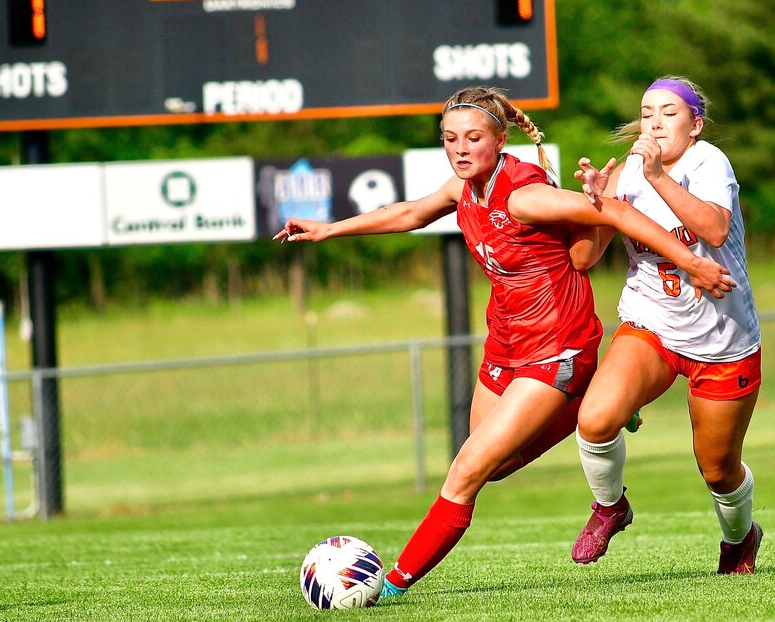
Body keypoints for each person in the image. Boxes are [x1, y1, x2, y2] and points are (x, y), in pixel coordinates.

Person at [274, 86, 732, 600]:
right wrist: (329, 230)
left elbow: (616, 215)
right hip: (506, 344)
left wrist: (692, 263)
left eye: (473, 138)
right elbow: (409, 213)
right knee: (493, 465)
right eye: (450, 139)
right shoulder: (463, 189)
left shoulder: (523, 194)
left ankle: (389, 586)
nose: (461, 149)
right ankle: (590, 400)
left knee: (466, 470)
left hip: (557, 346)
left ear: (500, 139)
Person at [570, 76, 762, 574]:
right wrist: (593, 208)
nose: (654, 121)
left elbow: (715, 229)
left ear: (695, 125)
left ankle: (741, 538)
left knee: (717, 469)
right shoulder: (627, 172)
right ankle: (610, 507)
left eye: (669, 112)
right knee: (594, 420)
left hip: (723, 339)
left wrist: (656, 177)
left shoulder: (707, 161)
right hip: (651, 322)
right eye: (646, 110)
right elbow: (584, 258)